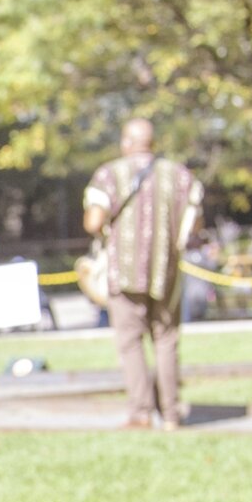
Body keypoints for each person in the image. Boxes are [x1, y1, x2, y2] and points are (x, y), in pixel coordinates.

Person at [83, 119, 202, 430]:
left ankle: (141, 413)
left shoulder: (110, 174)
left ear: (126, 142)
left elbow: (94, 222)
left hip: (123, 272)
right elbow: (196, 223)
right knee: (166, 340)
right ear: (152, 142)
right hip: (167, 271)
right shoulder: (179, 175)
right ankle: (172, 414)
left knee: (130, 340)